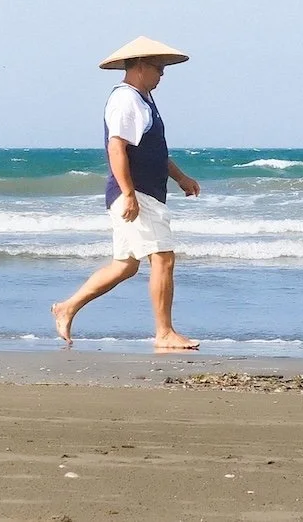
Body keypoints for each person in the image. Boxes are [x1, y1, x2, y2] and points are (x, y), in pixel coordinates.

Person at [52, 36, 201, 350]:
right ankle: (164, 332)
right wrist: (129, 193)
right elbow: (116, 147)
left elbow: (154, 152)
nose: (162, 74)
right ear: (142, 66)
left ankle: (67, 307)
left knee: (126, 264)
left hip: (144, 191)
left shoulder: (144, 99)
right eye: (159, 68)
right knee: (163, 258)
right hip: (137, 193)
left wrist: (181, 177)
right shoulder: (126, 99)